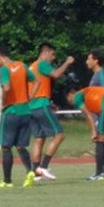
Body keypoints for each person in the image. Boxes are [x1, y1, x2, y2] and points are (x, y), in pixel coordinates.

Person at [0, 45, 40, 189]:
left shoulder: (4, 69)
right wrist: (30, 96)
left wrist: (4, 103)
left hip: (12, 111)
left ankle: (7, 181)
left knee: (6, 146)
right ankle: (30, 172)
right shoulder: (22, 66)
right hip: (26, 111)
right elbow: (37, 81)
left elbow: (6, 88)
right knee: (20, 145)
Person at [28, 42, 74, 180]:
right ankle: (43, 166)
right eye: (52, 54)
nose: (53, 58)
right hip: (41, 104)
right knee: (59, 135)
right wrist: (67, 62)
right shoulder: (42, 64)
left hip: (31, 106)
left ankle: (35, 172)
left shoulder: (32, 66)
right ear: (45, 52)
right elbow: (56, 74)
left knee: (38, 139)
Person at [68, 86, 104, 180]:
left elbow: (88, 115)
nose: (70, 102)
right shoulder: (89, 92)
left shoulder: (76, 97)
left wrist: (94, 132)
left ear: (70, 94)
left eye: (68, 99)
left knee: (100, 138)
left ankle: (99, 173)